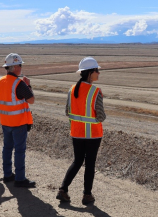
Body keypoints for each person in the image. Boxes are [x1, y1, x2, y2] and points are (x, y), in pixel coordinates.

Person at [56, 57, 106, 205]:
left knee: (77, 161)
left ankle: (63, 190)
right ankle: (87, 195)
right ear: (90, 73)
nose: (99, 73)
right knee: (90, 164)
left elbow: (67, 111)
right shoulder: (95, 91)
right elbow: (101, 116)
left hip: (76, 133)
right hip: (93, 134)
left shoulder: (71, 89)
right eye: (97, 70)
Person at [0, 53, 36, 187]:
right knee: (19, 151)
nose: (21, 68)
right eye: (20, 65)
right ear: (16, 67)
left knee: (7, 148)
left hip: (5, 121)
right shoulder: (19, 84)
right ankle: (19, 179)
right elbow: (31, 100)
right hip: (18, 123)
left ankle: (7, 175)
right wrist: (28, 86)